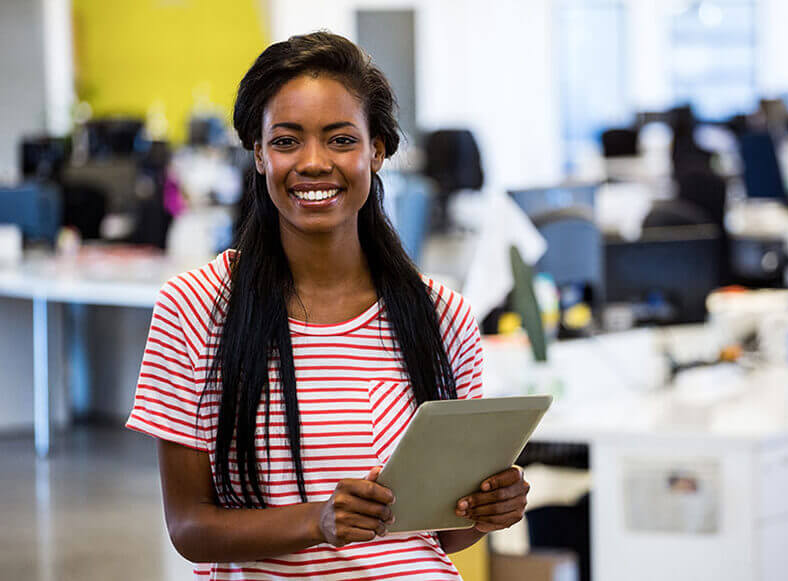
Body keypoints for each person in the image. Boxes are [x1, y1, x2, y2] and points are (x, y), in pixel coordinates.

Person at [126, 31, 530, 580]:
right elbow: (190, 529)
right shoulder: (195, 307)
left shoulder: (442, 315)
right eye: (287, 141)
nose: (313, 163)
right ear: (259, 153)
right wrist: (317, 521)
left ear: (377, 150)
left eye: (340, 140)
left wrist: (487, 511)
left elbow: (444, 533)